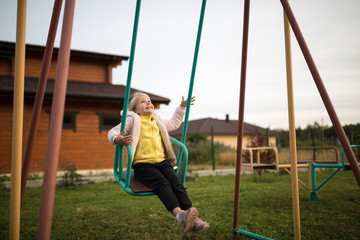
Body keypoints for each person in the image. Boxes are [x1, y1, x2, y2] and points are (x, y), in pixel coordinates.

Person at [108, 92, 210, 233]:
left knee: (177, 183)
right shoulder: (132, 120)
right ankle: (180, 215)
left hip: (162, 162)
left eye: (149, 101)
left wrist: (181, 107)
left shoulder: (157, 120)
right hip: (142, 164)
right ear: (134, 109)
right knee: (162, 184)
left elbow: (174, 123)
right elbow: (113, 131)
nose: (148, 103)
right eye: (143, 101)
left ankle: (192, 218)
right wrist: (117, 139)